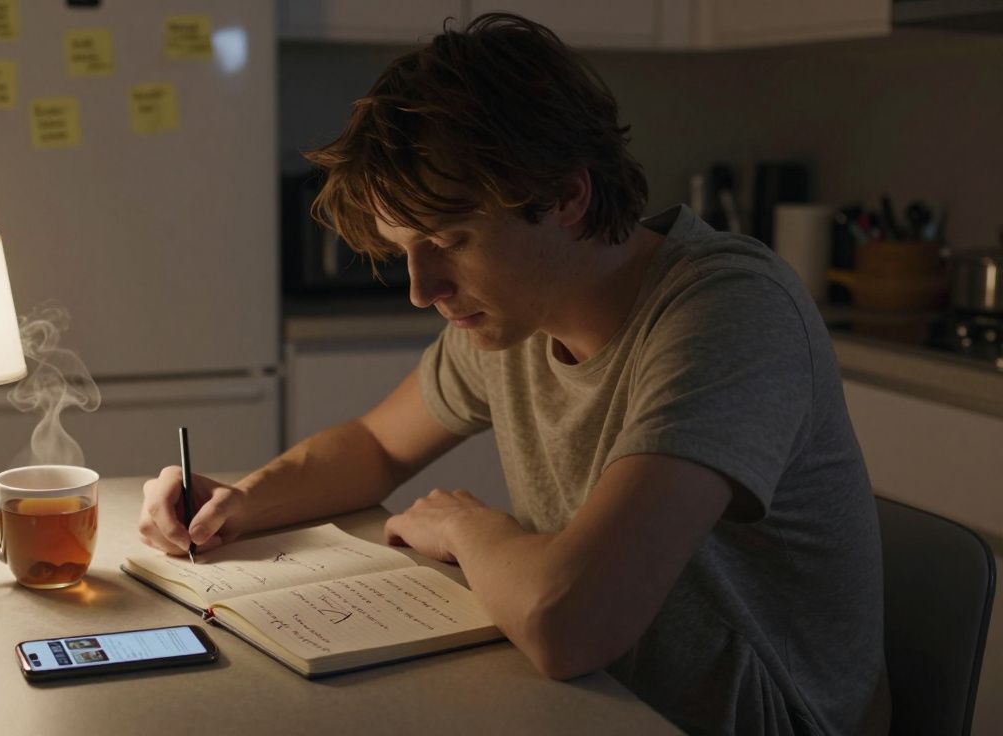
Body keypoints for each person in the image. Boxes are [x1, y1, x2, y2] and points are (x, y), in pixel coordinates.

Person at [139, 12, 889, 735]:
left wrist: (467, 527)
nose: (421, 289)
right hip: (604, 696)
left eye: (449, 241)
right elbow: (376, 446)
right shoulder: (520, 311)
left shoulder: (727, 312)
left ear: (566, 196)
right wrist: (240, 501)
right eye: (405, 249)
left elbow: (572, 622)